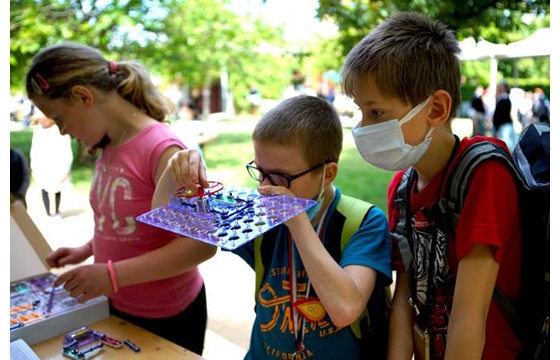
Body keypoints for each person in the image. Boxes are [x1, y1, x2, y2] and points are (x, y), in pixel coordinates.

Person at [153, 95, 393, 359]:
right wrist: (173, 171)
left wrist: (298, 223)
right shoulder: (258, 212)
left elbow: (344, 309)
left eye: (280, 176)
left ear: (328, 173)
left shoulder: (364, 222)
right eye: (259, 170)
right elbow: (164, 214)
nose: (264, 187)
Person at [341, 12, 522, 359]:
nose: (363, 128)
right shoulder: (402, 187)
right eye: (361, 112)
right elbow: (405, 300)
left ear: (436, 108)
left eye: (376, 113)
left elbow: (469, 317)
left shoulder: (483, 175)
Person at [25, 42, 216, 355]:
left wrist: (111, 275)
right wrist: (87, 249)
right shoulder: (109, 144)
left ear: (82, 96)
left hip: (167, 315)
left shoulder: (163, 149)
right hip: (117, 305)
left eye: (59, 118)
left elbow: (201, 245)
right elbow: (124, 220)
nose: (61, 132)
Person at [30, 112, 74, 217]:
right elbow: (34, 150)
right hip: (42, 165)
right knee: (43, 187)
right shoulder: (38, 131)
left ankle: (57, 211)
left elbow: (67, 151)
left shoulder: (60, 131)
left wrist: (66, 169)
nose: (42, 122)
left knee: (57, 188)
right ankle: (48, 213)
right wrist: (33, 166)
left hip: (57, 165)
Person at [492, 81, 517, 151]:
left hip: (504, 126)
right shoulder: (505, 99)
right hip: (506, 124)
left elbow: (498, 115)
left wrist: (496, 127)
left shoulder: (503, 99)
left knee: (506, 145)